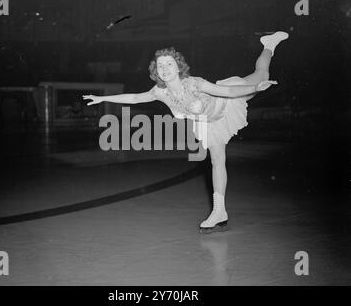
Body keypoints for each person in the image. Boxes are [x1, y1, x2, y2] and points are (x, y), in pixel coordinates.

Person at [83, 31, 289, 234]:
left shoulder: (194, 83)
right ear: (156, 70)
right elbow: (135, 98)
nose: (164, 68)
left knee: (262, 75)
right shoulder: (160, 92)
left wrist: (257, 88)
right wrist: (103, 99)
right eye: (160, 65)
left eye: (169, 64)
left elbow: (228, 92)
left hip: (227, 103)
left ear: (178, 66)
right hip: (210, 122)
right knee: (217, 160)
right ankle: (219, 211)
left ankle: (268, 45)